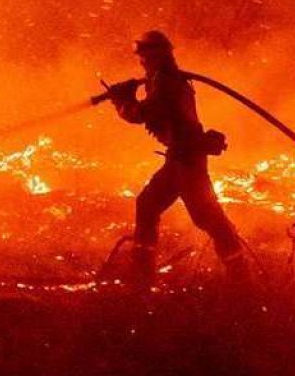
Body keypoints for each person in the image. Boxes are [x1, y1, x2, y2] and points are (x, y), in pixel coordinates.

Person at [107, 30, 249, 284]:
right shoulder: (160, 79)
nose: (142, 61)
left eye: (145, 56)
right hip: (178, 158)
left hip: (188, 160)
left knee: (207, 217)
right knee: (148, 204)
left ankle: (240, 275)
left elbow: (144, 114)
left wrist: (122, 101)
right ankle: (141, 274)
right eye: (141, 56)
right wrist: (128, 96)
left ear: (158, 55)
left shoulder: (167, 82)